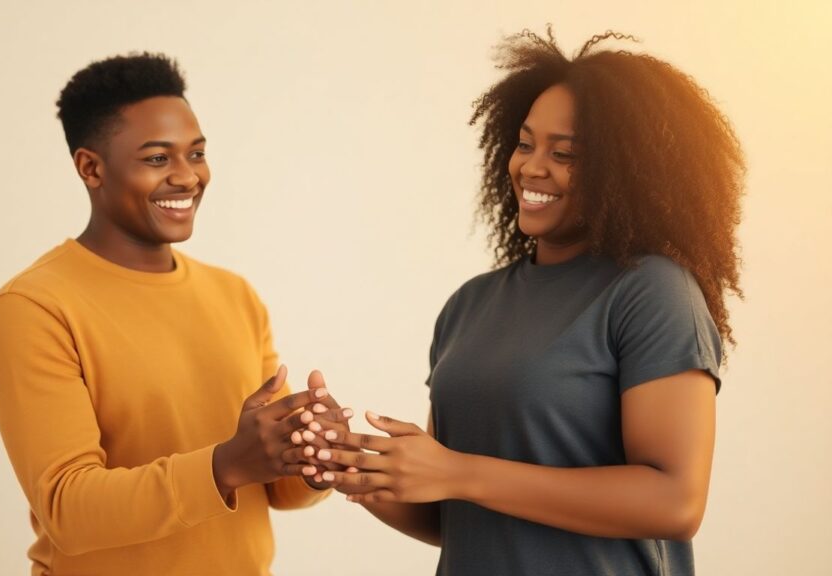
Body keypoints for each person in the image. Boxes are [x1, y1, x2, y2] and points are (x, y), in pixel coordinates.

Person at [313, 29, 744, 575]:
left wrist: (458, 471)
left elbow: (675, 502)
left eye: (564, 153)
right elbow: (452, 518)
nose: (530, 168)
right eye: (524, 143)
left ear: (630, 172)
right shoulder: (470, 305)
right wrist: (349, 464)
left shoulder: (652, 293)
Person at [0, 52, 352, 576]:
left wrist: (312, 457)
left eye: (196, 154)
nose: (187, 177)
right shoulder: (35, 307)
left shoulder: (235, 295)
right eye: (158, 159)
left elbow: (274, 491)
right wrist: (225, 464)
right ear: (91, 167)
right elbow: (67, 509)